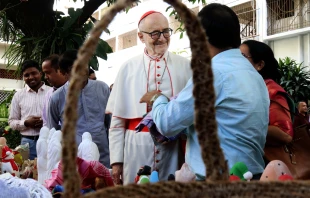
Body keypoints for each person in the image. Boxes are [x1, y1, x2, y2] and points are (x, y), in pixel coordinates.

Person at [140, 4, 269, 180]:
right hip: (251, 176)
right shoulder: (254, 74)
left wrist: (158, 99)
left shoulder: (212, 73)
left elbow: (167, 123)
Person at [106, 11, 192, 184]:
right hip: (136, 147)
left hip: (173, 148)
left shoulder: (186, 66)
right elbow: (117, 122)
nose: (161, 38)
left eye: (166, 31)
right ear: (140, 36)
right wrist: (116, 162)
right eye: (154, 33)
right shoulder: (127, 68)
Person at [47, 50, 111, 167]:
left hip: (104, 158)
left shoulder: (103, 88)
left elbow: (111, 123)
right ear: (64, 73)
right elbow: (53, 133)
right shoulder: (57, 98)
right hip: (74, 162)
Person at [240, 40, 294, 146]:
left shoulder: (271, 91)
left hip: (265, 160)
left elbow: (285, 134)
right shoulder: (245, 88)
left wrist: (241, 126)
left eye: (242, 56)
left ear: (260, 64)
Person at [9, 60, 52, 159]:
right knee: (26, 172)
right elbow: (11, 121)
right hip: (27, 143)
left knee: (50, 171)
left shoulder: (52, 92)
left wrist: (45, 123)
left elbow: (61, 119)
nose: (31, 77)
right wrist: (26, 123)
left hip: (48, 141)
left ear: (40, 73)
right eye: (27, 75)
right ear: (23, 78)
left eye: (34, 73)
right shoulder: (18, 95)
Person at [41, 54, 68, 127]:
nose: (45, 77)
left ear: (60, 70)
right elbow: (46, 121)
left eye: (48, 72)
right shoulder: (49, 94)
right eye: (44, 73)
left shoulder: (78, 91)